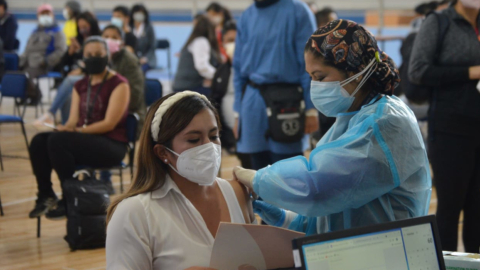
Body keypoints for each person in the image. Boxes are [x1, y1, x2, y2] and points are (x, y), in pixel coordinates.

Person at [234, 20, 432, 236]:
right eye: (311, 78)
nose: (315, 86)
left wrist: (258, 180)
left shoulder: (386, 123)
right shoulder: (348, 121)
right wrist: (286, 218)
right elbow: (330, 215)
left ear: (355, 71)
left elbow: (320, 188)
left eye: (320, 77)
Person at [106, 92, 254, 269]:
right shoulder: (135, 213)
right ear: (163, 152)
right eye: (194, 139)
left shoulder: (237, 193)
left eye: (214, 136)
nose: (209, 147)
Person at [28, 36, 130, 220]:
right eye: (89, 54)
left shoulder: (119, 84)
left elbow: (109, 124)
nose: (94, 58)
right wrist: (63, 128)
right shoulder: (80, 85)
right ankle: (46, 195)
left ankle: (70, 198)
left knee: (58, 141)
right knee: (39, 141)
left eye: (98, 54)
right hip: (85, 140)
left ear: (107, 55)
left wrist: (76, 132)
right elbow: (73, 121)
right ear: (83, 57)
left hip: (112, 144)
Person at [409, 0, 480, 253]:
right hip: (451, 129)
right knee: (450, 208)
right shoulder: (439, 22)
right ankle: (444, 262)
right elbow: (417, 71)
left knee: (477, 212)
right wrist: (469, 72)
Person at [233, 0, 319, 170]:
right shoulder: (247, 16)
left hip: (287, 101)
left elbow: (309, 65)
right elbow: (238, 69)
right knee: (257, 173)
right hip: (253, 103)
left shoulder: (298, 11)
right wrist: (238, 113)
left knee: (288, 172)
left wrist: (311, 109)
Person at [33, 11, 101, 126]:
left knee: (69, 81)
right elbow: (62, 63)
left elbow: (97, 63)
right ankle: (67, 125)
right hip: (74, 76)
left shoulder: (98, 41)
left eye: (85, 27)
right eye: (80, 27)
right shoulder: (78, 39)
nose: (82, 30)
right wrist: (70, 53)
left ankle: (51, 113)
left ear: (92, 25)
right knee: (67, 95)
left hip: (91, 76)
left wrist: (82, 69)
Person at [20, 4, 66, 104]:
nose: (45, 16)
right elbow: (27, 49)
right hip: (29, 62)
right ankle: (25, 95)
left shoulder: (57, 32)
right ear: (38, 16)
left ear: (52, 15)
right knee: (15, 74)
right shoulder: (34, 32)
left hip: (44, 64)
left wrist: (46, 61)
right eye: (42, 14)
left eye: (47, 14)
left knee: (26, 75)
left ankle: (36, 95)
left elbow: (61, 50)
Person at [173, 15, 221, 96]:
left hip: (183, 85)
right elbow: (201, 66)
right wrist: (217, 76)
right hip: (190, 87)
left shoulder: (195, 41)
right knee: (218, 93)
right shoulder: (201, 41)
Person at [130, 4, 157, 73]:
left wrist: (145, 58)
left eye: (141, 13)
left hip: (147, 60)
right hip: (132, 59)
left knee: (139, 71)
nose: (139, 15)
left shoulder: (149, 28)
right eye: (137, 13)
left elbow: (152, 46)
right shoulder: (129, 27)